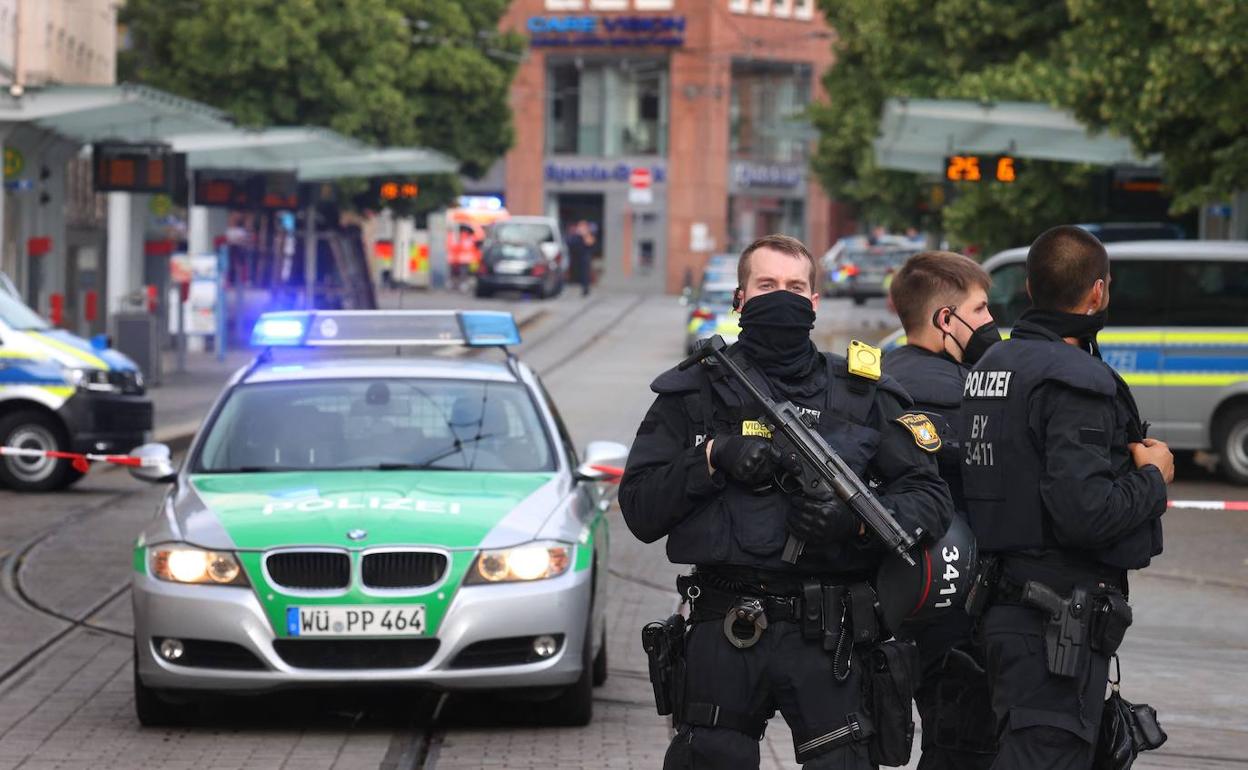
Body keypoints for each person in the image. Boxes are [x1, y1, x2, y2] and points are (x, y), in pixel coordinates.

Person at [620, 234, 953, 769]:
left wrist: (855, 524)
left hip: (831, 636)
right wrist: (710, 456)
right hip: (724, 625)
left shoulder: (863, 393)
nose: (783, 297)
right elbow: (638, 508)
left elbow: (929, 497)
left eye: (796, 287)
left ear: (815, 303)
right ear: (740, 298)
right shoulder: (693, 392)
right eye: (767, 285)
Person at [961, 225, 1172, 770]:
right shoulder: (1075, 380)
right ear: (1098, 292)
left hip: (1005, 611)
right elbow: (1086, 514)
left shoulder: (993, 366)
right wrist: (1154, 478)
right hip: (1052, 623)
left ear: (1030, 290)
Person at [883, 251, 1001, 770]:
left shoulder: (874, 379)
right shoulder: (967, 394)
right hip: (957, 602)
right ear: (944, 320)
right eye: (980, 309)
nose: (991, 322)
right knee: (960, 746)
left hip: (887, 604)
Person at [567, 220, 595, 296]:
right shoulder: (575, 235)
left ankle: (585, 289)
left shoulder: (587, 234)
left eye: (582, 226)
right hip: (575, 257)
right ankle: (574, 282)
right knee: (576, 272)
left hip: (585, 257)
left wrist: (585, 234)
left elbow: (590, 243)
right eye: (580, 226)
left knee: (585, 273)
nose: (581, 228)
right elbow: (570, 243)